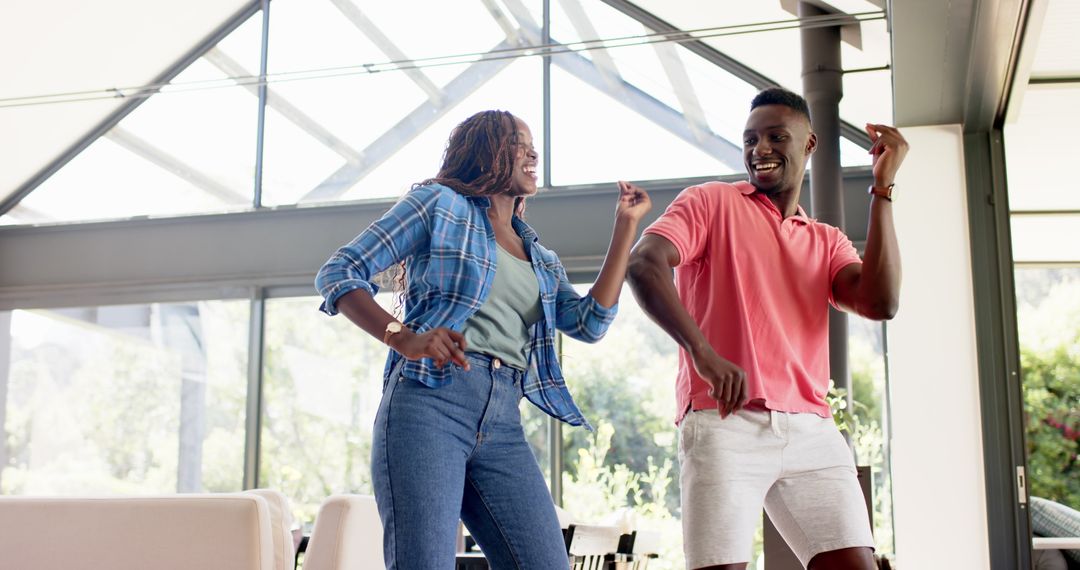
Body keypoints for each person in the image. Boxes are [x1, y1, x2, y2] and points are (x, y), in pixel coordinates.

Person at [315, 109, 651, 570]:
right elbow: (340, 271)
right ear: (484, 150)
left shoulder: (539, 257)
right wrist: (404, 338)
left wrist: (625, 228)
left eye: (533, 145)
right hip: (429, 404)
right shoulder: (437, 204)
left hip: (503, 421)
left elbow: (589, 323)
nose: (532, 152)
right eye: (518, 142)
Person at [626, 87, 907, 570]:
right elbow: (644, 264)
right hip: (723, 422)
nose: (761, 149)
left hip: (812, 431)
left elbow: (880, 302)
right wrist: (702, 352)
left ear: (809, 145)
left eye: (777, 136)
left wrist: (881, 188)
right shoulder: (710, 203)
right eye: (751, 139)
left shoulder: (825, 240)